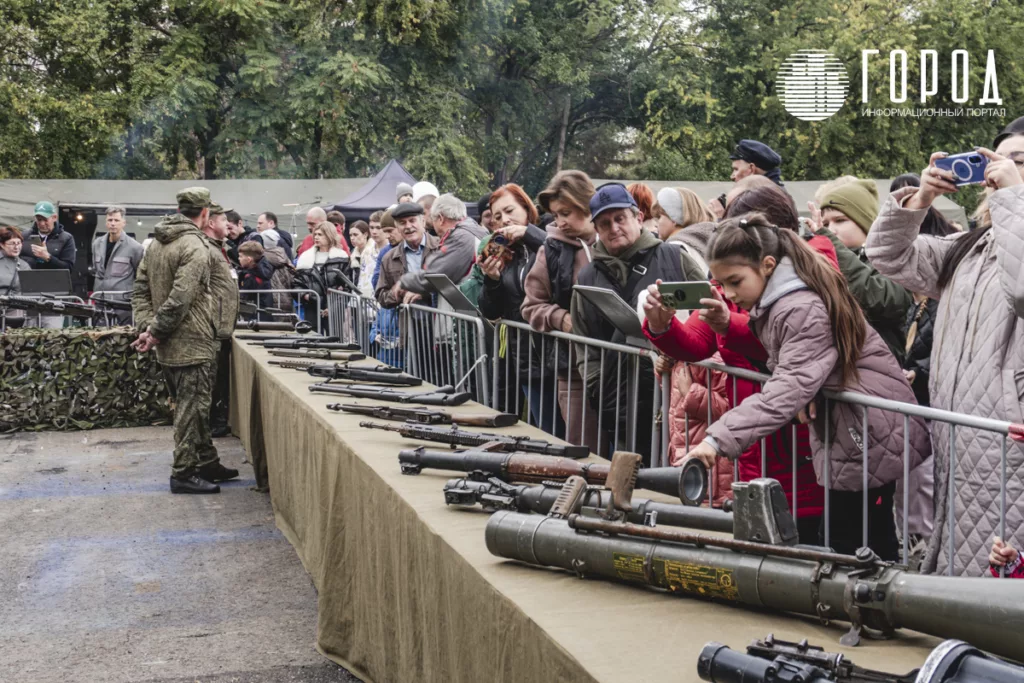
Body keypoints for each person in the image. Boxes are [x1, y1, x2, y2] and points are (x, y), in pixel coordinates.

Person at [648, 213, 928, 559]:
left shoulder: (799, 307)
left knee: (858, 547)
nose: (730, 294)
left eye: (735, 282)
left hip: (866, 434)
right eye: (723, 284)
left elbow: (785, 389)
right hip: (854, 432)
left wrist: (716, 440)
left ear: (767, 265)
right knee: (849, 542)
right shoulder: (785, 299)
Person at [864, 122, 1024, 576]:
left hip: (1010, 442)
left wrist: (1013, 201)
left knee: (1002, 557)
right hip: (960, 436)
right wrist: (920, 201)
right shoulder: (970, 246)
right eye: (996, 160)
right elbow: (888, 258)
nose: (1003, 170)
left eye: (1020, 163)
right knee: (963, 548)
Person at [644, 185, 828, 541]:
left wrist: (727, 323)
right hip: (749, 430)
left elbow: (785, 340)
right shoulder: (733, 278)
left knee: (802, 533)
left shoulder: (808, 276)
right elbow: (696, 343)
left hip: (791, 430)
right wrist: (660, 323)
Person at [570, 183, 705, 463]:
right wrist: (596, 384)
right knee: (627, 478)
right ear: (596, 229)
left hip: (675, 397)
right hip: (617, 398)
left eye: (620, 218)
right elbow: (583, 338)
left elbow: (705, 313)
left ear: (638, 218)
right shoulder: (587, 277)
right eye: (604, 223)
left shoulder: (675, 259)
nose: (614, 228)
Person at [131, 187, 236, 494]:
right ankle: (183, 473)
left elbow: (140, 291)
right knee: (192, 409)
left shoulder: (157, 243)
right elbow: (180, 299)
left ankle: (206, 460)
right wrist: (154, 332)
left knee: (194, 406)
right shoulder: (194, 246)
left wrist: (147, 328)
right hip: (192, 341)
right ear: (205, 213)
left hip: (171, 342)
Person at [522, 171, 601, 451]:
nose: (560, 222)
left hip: (621, 369)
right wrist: (564, 320)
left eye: (566, 212)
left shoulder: (615, 240)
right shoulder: (552, 248)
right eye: (556, 215)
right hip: (574, 370)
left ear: (586, 204)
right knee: (584, 449)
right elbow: (531, 305)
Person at [812, 179, 914, 364]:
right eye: (826, 224)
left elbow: (885, 300)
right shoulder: (826, 261)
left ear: (865, 222)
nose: (831, 230)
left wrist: (833, 248)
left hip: (882, 372)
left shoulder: (892, 256)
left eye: (840, 220)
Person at [477, 185, 550, 429]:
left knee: (551, 428)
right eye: (497, 217)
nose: (504, 220)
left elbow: (560, 252)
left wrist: (528, 233)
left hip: (549, 352)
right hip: (519, 354)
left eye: (510, 211)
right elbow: (490, 311)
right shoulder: (506, 253)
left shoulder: (546, 235)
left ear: (526, 208)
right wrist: (492, 279)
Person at [201, 202, 239, 439]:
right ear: (212, 223)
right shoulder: (206, 249)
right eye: (224, 221)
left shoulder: (221, 248)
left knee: (219, 378)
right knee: (212, 379)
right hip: (212, 325)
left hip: (222, 325)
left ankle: (217, 420)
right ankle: (213, 422)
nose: (229, 225)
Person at [399, 194, 487, 297]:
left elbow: (437, 275)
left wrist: (403, 283)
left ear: (440, 218)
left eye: (433, 219)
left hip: (466, 308)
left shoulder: (460, 237)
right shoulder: (473, 230)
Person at [375, 203, 439, 308]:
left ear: (423, 222)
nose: (408, 226)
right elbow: (381, 297)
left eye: (412, 221)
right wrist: (399, 293)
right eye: (402, 223)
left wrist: (424, 292)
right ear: (397, 228)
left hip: (439, 319)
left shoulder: (440, 247)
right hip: (407, 321)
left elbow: (452, 285)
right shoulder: (389, 258)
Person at [91, 206, 144, 323]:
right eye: (110, 220)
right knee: (99, 337)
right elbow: (97, 270)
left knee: (123, 338)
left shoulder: (135, 247)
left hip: (122, 304)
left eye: (116, 220)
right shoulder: (97, 244)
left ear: (123, 223)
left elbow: (140, 276)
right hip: (101, 302)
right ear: (106, 222)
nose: (113, 224)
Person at [294, 221, 350, 323]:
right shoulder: (305, 258)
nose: (316, 237)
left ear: (329, 235)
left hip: (335, 310)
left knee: (335, 338)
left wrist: (334, 308)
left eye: (320, 234)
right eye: (315, 234)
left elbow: (346, 286)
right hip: (312, 307)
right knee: (313, 337)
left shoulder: (341, 257)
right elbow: (296, 283)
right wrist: (307, 296)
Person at [654, 186, 716, 267]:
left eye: (659, 217)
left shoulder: (674, 248)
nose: (656, 223)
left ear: (674, 218)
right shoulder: (711, 239)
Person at [0, 227, 30, 327]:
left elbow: (29, 290)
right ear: (2, 245)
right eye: (12, 243)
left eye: (19, 243)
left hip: (15, 309)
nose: (16, 247)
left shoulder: (24, 265)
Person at [237, 241, 275, 316]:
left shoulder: (250, 276)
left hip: (254, 313)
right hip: (264, 310)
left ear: (249, 259)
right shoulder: (263, 272)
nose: (238, 259)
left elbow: (244, 296)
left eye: (241, 256)